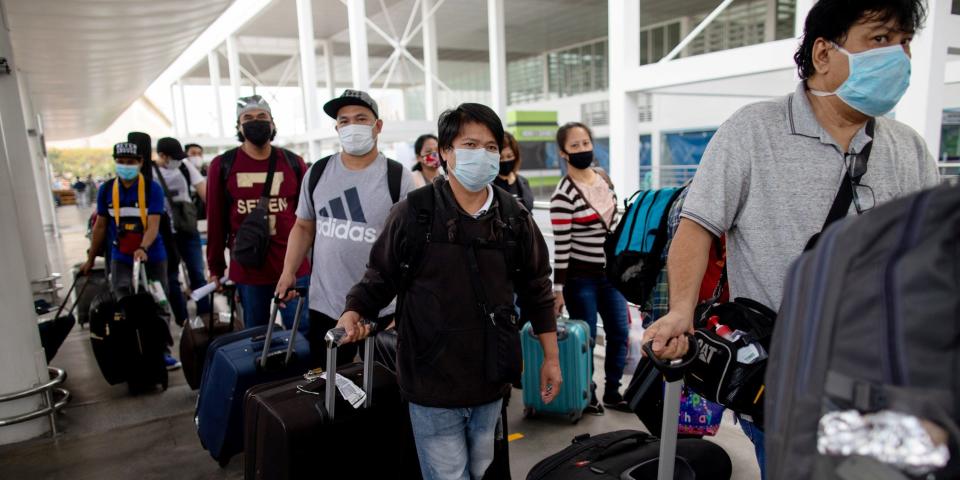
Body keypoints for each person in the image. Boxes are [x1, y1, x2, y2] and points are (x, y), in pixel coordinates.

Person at [641, 1, 938, 477]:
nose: (899, 56)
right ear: (824, 52)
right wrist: (680, 310)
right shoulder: (753, 131)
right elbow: (698, 225)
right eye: (880, 39)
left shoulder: (908, 148)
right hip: (784, 379)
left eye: (905, 42)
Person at [335, 103, 562, 480]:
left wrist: (551, 358)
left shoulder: (514, 217)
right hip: (431, 380)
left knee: (484, 470)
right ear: (445, 152)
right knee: (447, 475)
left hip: (490, 379)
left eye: (491, 147)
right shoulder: (414, 213)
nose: (484, 155)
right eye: (470, 144)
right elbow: (380, 275)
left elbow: (537, 288)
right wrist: (353, 311)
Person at [276, 90, 415, 366]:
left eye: (361, 119)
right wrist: (288, 271)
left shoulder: (398, 177)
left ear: (378, 126)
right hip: (326, 305)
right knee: (328, 389)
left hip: (380, 308)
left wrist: (406, 307)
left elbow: (413, 250)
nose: (352, 126)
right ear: (337, 128)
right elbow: (304, 226)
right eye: (344, 121)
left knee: (380, 391)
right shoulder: (317, 172)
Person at [206, 95, 310, 330]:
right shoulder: (222, 165)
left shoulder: (293, 162)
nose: (256, 122)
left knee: (302, 335)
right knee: (257, 337)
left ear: (272, 123)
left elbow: (308, 219)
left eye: (262, 117)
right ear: (239, 127)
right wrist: (215, 268)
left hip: (293, 268)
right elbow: (216, 221)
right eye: (248, 118)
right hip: (249, 270)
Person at [550, 122, 629, 414]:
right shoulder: (562, 196)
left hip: (612, 276)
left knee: (619, 333)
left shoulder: (604, 179)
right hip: (580, 280)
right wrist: (557, 291)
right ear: (563, 153)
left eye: (586, 143)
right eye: (575, 146)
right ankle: (588, 394)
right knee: (585, 340)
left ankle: (612, 391)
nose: (583, 149)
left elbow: (616, 224)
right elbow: (561, 248)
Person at [79, 142, 179, 368]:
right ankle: (130, 347)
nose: (126, 166)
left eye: (131, 162)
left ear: (140, 163)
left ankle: (161, 349)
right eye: (121, 162)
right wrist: (91, 258)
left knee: (158, 298)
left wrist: (143, 247)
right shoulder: (106, 190)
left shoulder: (151, 189)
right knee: (121, 297)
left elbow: (153, 225)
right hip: (121, 255)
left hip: (152, 254)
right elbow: (101, 227)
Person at [155, 137, 210, 317]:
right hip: (163, 232)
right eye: (174, 157)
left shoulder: (185, 167)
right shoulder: (150, 171)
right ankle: (182, 318)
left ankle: (205, 316)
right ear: (162, 156)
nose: (178, 161)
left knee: (197, 272)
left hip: (187, 229)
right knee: (171, 276)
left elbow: (205, 194)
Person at [493, 131, 534, 211]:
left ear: (516, 156)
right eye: (501, 158)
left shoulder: (523, 182)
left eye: (509, 156)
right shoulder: (489, 185)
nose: (505, 161)